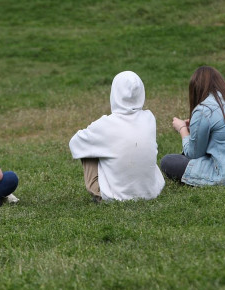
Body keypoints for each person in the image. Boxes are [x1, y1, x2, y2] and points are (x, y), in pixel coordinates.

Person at [69, 71, 165, 202]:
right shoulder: (149, 117)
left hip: (117, 196)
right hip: (152, 191)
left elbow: (75, 143)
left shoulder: (105, 125)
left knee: (88, 147)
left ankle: (99, 193)